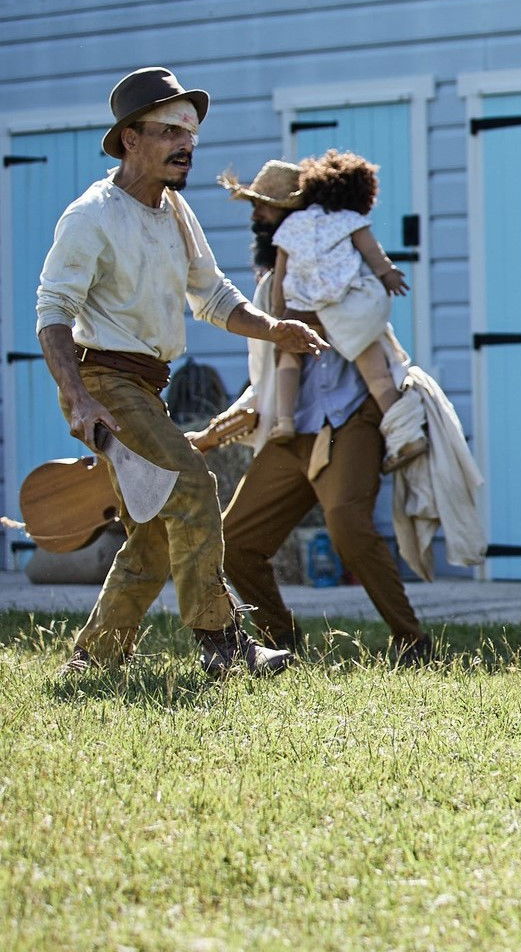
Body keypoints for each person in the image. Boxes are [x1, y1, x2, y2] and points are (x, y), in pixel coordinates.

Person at [36, 68, 326, 677]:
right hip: (103, 385)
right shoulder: (91, 215)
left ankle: (92, 660)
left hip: (143, 386)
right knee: (194, 487)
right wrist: (78, 400)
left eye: (190, 133)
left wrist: (275, 329)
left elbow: (213, 296)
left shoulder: (175, 211)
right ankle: (223, 645)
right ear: (129, 139)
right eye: (169, 131)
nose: (185, 144)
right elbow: (53, 312)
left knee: (153, 532)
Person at [209, 159, 434, 665]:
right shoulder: (272, 280)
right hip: (295, 422)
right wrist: (248, 409)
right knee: (236, 539)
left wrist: (321, 309)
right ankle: (279, 641)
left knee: (348, 526)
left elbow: (370, 309)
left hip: (353, 414)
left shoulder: (345, 261)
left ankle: (412, 641)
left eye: (269, 208)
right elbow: (271, 359)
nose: (260, 216)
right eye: (258, 207)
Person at [266, 151, 425, 472]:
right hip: (344, 307)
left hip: (303, 309)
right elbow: (372, 253)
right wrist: (389, 274)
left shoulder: (292, 225)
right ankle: (405, 437)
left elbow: (280, 275)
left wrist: (277, 315)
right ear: (360, 194)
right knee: (376, 372)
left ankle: (284, 421)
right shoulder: (351, 221)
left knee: (289, 357)